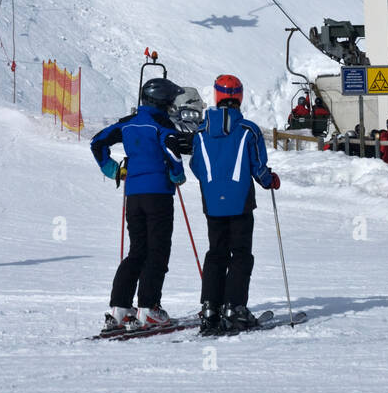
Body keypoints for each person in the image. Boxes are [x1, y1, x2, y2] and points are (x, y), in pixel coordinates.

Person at [91, 76, 186, 329]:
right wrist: (178, 173)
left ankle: (120, 308)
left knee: (137, 251)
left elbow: (97, 142)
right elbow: (171, 149)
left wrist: (112, 169)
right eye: (170, 101)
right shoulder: (161, 123)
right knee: (157, 251)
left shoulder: (128, 123)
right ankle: (148, 308)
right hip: (159, 196)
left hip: (133, 196)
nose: (172, 107)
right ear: (162, 102)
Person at [189, 74, 280, 336]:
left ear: (217, 96)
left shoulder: (201, 131)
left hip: (212, 204)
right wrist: (269, 180)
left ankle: (210, 308)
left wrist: (213, 184)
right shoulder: (247, 129)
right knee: (240, 254)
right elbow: (258, 167)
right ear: (239, 97)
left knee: (216, 253)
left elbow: (196, 166)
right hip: (240, 202)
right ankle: (234, 307)